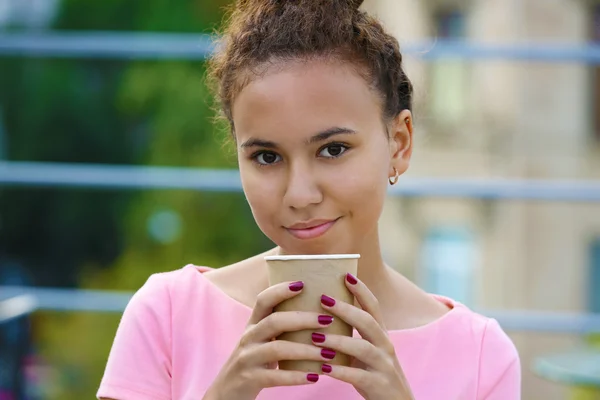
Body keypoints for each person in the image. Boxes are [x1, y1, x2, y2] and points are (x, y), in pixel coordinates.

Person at [97, 0, 521, 398]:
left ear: (400, 143)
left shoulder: (480, 356)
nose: (299, 195)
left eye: (333, 149)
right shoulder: (168, 315)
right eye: (267, 157)